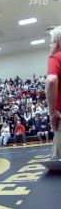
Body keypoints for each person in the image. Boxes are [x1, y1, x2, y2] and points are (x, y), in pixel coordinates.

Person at [46, 26, 61, 160]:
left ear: (56, 42)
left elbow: (51, 81)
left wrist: (52, 113)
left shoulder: (55, 57)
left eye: (51, 43)